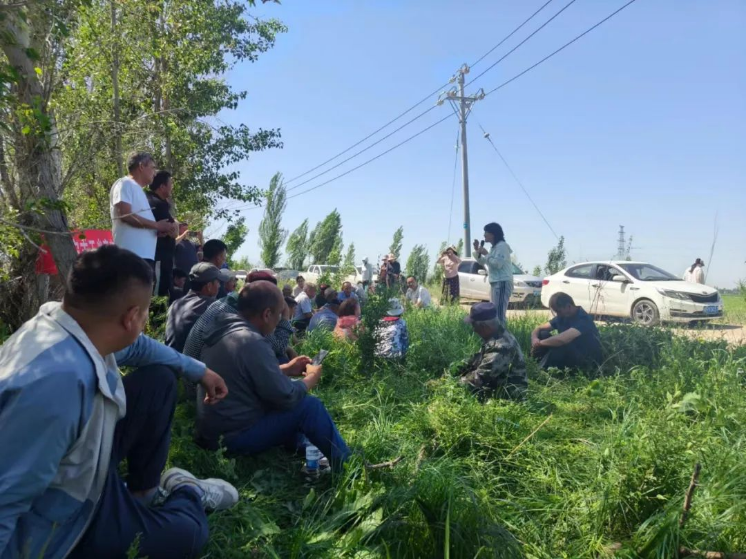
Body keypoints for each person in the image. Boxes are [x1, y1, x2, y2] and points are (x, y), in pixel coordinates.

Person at [0, 245, 236, 559]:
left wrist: (198, 370)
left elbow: (140, 348)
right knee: (188, 533)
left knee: (159, 380)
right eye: (145, 312)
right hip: (65, 523)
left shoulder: (67, 325)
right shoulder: (56, 387)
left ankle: (143, 493)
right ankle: (186, 490)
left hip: (77, 471)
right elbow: (7, 499)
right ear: (131, 317)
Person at [195, 281, 351, 470]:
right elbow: (286, 396)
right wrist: (311, 378)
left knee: (292, 406)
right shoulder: (252, 342)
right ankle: (347, 463)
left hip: (212, 432)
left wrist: (285, 369)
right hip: (232, 438)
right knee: (310, 406)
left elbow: (243, 375)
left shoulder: (227, 331)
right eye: (279, 315)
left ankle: (306, 447)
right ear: (267, 314)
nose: (279, 321)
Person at [184, 271, 295, 366]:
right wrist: (285, 317)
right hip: (203, 379)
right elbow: (279, 348)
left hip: (195, 371)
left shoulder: (225, 302)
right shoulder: (246, 312)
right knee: (281, 359)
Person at [110, 151, 174, 267]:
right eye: (153, 168)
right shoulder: (125, 183)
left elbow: (139, 222)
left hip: (144, 256)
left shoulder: (139, 190)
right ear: (141, 166)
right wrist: (156, 225)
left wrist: (156, 231)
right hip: (131, 255)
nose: (155, 173)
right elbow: (125, 215)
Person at [458, 302, 528, 400]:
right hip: (498, 384)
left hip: (509, 395)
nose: (474, 330)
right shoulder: (497, 334)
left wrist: (454, 383)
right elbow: (478, 359)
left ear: (484, 327)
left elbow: (480, 378)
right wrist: (459, 368)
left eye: (474, 325)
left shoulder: (501, 346)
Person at [530, 292, 603, 371]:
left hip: (584, 358)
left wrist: (540, 343)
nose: (558, 314)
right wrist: (535, 339)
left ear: (568, 306)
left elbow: (562, 340)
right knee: (543, 334)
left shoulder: (584, 319)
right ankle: (535, 362)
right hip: (570, 352)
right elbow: (539, 328)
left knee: (559, 345)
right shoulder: (563, 316)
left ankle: (542, 370)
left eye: (559, 311)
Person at [166, 263, 228, 353]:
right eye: (218, 282)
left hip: (169, 357)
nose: (219, 286)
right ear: (209, 286)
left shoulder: (176, 304)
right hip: (188, 361)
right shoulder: (211, 306)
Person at [473, 222, 513, 325]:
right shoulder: (494, 248)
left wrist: (486, 253)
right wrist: (477, 250)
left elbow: (497, 264)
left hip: (502, 282)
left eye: (486, 232)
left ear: (493, 234)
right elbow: (483, 262)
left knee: (499, 314)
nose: (484, 235)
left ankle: (502, 333)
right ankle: (497, 332)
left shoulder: (502, 246)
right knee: (495, 312)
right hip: (496, 282)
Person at [146, 170, 178, 297]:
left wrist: (174, 226)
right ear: (162, 186)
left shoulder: (162, 203)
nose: (172, 187)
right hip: (158, 258)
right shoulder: (155, 202)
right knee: (158, 295)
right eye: (170, 184)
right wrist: (173, 227)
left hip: (164, 259)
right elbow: (173, 230)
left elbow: (174, 229)